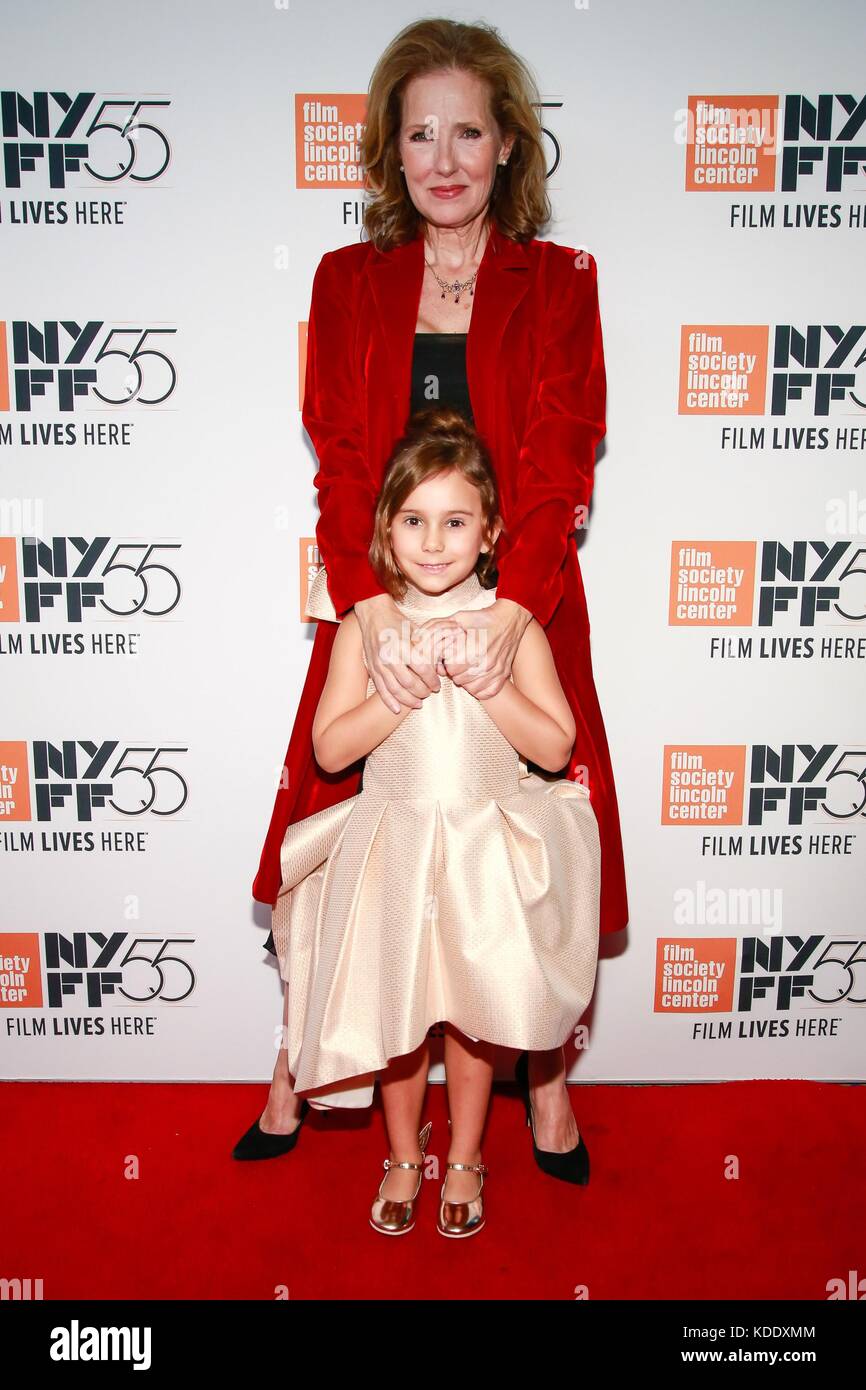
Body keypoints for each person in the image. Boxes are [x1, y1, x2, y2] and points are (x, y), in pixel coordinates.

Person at [233, 16, 628, 1178]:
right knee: (340, 826)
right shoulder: (349, 281)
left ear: (508, 141)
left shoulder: (557, 281)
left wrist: (508, 619)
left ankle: (543, 1082)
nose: (443, 156)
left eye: (467, 129)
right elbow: (342, 459)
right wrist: (369, 615)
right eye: (419, 133)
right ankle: (297, 1064)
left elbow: (560, 463)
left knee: (527, 840)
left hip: (520, 599)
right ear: (389, 149)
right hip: (376, 602)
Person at [270, 406, 601, 1236]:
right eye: (413, 520)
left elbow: (558, 746)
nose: (432, 540)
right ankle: (403, 1156)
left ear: (489, 533)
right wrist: (395, 691)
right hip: (396, 848)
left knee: (477, 1015)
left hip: (483, 855)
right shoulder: (365, 629)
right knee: (400, 1013)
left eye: (455, 521)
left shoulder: (508, 628)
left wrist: (489, 684)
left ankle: (465, 1158)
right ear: (386, 528)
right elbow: (330, 749)